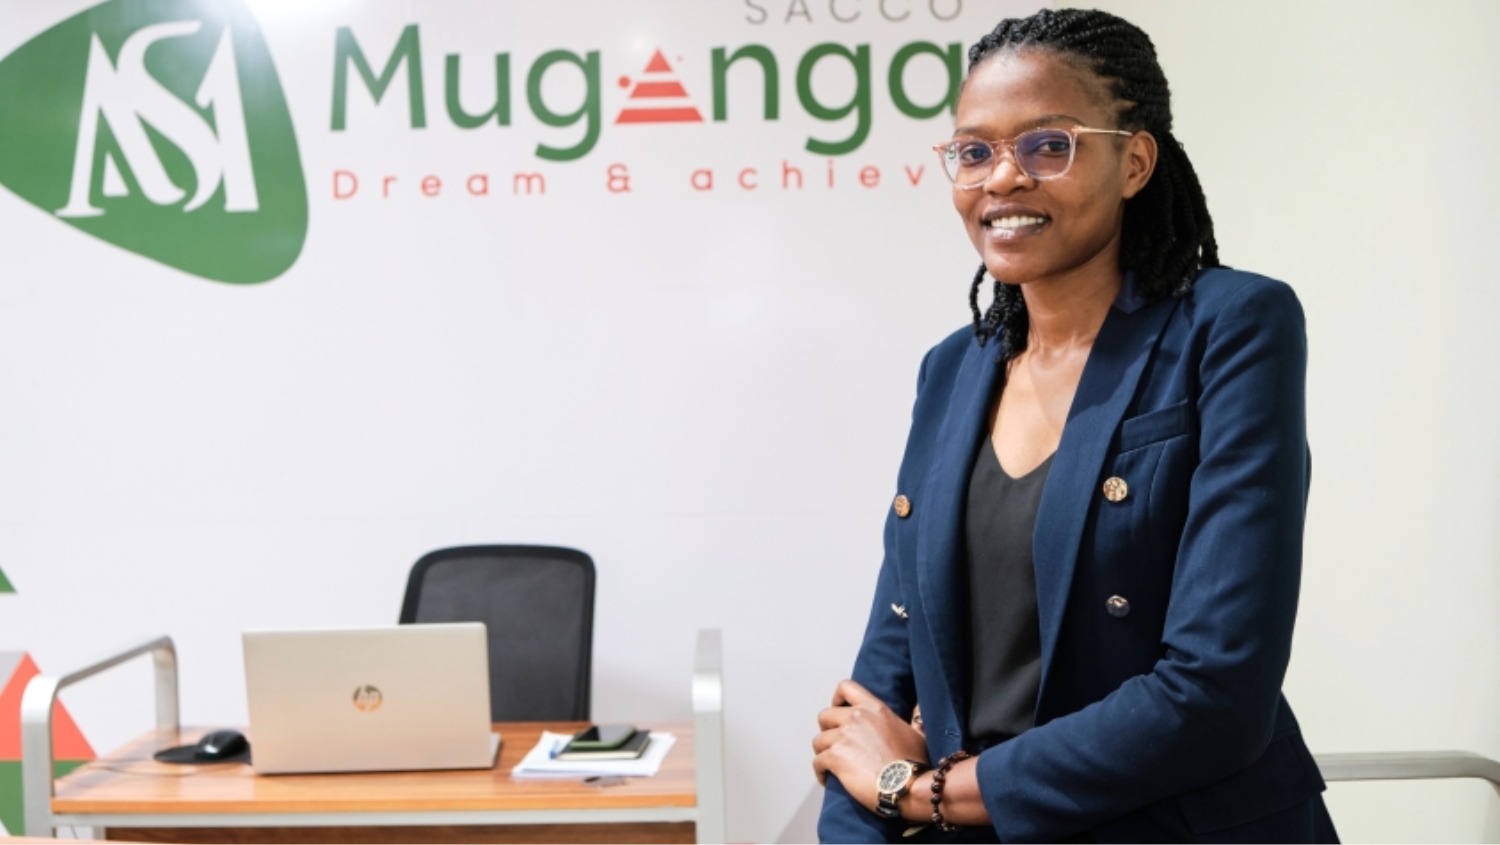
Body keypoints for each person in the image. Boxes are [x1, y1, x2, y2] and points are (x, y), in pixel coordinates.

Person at [811, 8, 1338, 843]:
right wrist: (871, 812)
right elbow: (876, 692)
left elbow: (1215, 693)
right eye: (974, 151)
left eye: (1047, 145)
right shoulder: (951, 369)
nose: (1003, 179)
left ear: (1133, 161)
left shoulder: (1232, 327)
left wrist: (928, 793)